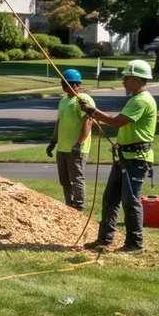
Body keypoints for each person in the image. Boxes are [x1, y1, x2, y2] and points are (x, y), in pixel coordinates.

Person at [84, 59, 157, 252]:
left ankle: (134, 244)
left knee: (130, 200)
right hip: (125, 157)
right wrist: (96, 113)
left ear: (137, 79)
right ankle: (105, 239)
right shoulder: (135, 99)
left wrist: (94, 112)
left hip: (136, 159)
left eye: (126, 77)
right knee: (110, 197)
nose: (123, 81)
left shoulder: (142, 100)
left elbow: (117, 122)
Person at [45, 68, 96, 211]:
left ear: (78, 84)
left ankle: (78, 207)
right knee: (65, 180)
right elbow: (59, 123)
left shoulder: (84, 100)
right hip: (62, 147)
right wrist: (53, 142)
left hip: (76, 149)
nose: (69, 87)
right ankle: (69, 206)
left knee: (77, 179)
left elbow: (88, 122)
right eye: (65, 84)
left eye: (72, 84)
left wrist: (79, 144)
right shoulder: (63, 101)